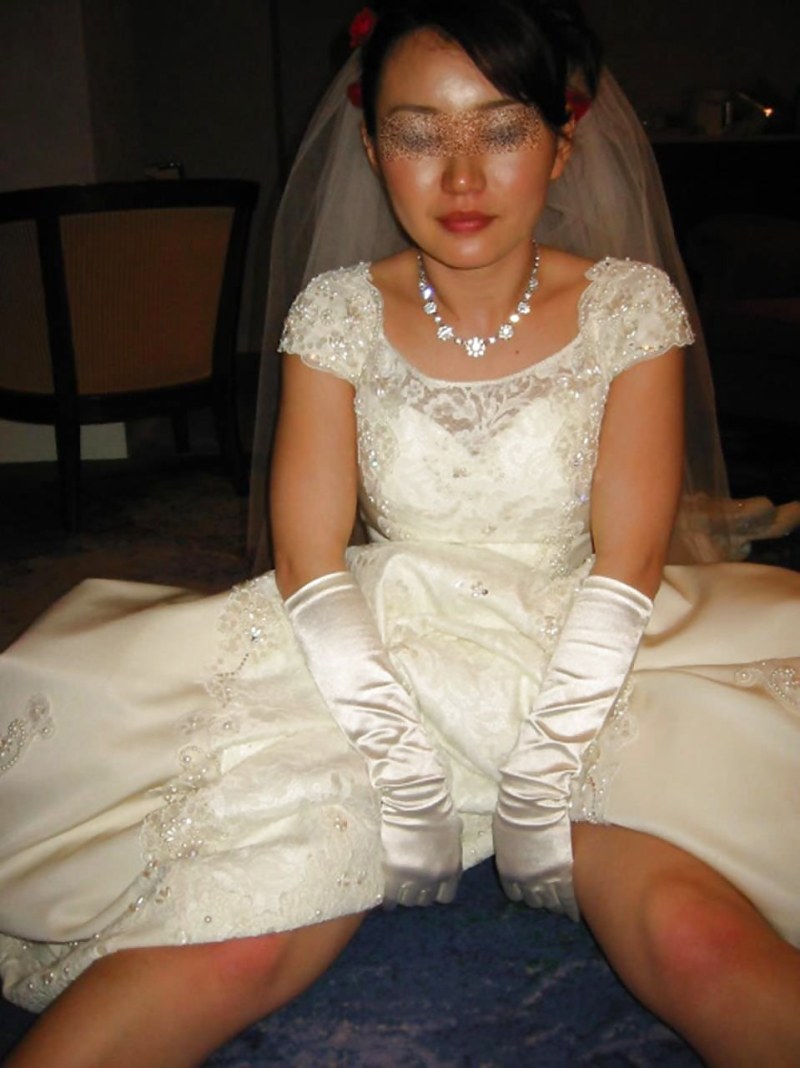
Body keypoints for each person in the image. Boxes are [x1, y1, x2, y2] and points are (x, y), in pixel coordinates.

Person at [1, 1, 799, 1064]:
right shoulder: (337, 311)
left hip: (597, 658)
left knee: (693, 937)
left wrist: (550, 761)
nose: (461, 177)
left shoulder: (628, 306)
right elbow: (306, 555)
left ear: (561, 145)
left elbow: (631, 559)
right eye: (419, 134)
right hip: (373, 655)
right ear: (372, 148)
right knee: (232, 941)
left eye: (502, 130)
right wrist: (395, 755)